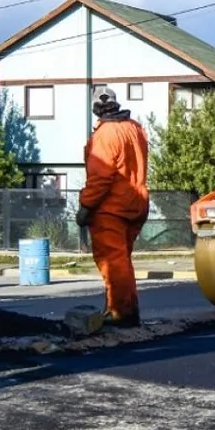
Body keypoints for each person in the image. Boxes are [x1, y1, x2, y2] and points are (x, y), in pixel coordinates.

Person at [76, 87, 150, 328]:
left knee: (113, 261)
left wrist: (86, 206)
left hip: (112, 208)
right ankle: (126, 308)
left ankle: (120, 312)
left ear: (95, 108)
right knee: (123, 260)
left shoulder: (105, 134)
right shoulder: (135, 128)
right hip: (136, 203)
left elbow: (100, 178)